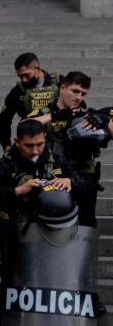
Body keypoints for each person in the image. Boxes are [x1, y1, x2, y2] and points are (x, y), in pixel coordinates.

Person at [0, 119, 79, 326]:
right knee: (12, 293)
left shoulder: (57, 161)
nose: (36, 151)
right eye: (29, 146)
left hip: (51, 238)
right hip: (14, 236)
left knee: (53, 293)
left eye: (40, 144)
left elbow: (84, 185)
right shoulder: (5, 164)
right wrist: (19, 191)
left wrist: (71, 183)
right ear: (17, 142)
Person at [28, 71, 112, 227]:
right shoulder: (47, 112)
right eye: (75, 91)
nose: (78, 97)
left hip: (84, 176)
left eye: (83, 93)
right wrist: (56, 116)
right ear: (62, 88)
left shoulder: (86, 115)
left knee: (86, 222)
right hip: (54, 174)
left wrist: (105, 121)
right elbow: (26, 126)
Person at [0, 52, 60, 152]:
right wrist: (6, 145)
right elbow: (4, 119)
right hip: (30, 145)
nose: (24, 80)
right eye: (20, 76)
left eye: (26, 75)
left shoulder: (59, 83)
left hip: (58, 141)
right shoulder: (18, 91)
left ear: (37, 69)